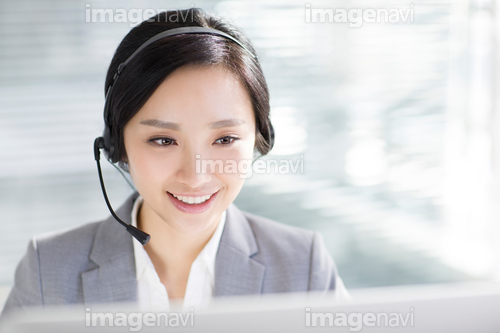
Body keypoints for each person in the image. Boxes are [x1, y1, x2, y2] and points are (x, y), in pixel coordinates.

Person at [0, 8, 347, 318]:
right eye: (163, 140)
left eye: (224, 139)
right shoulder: (48, 271)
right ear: (117, 146)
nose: (195, 176)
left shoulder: (305, 267)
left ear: (260, 138)